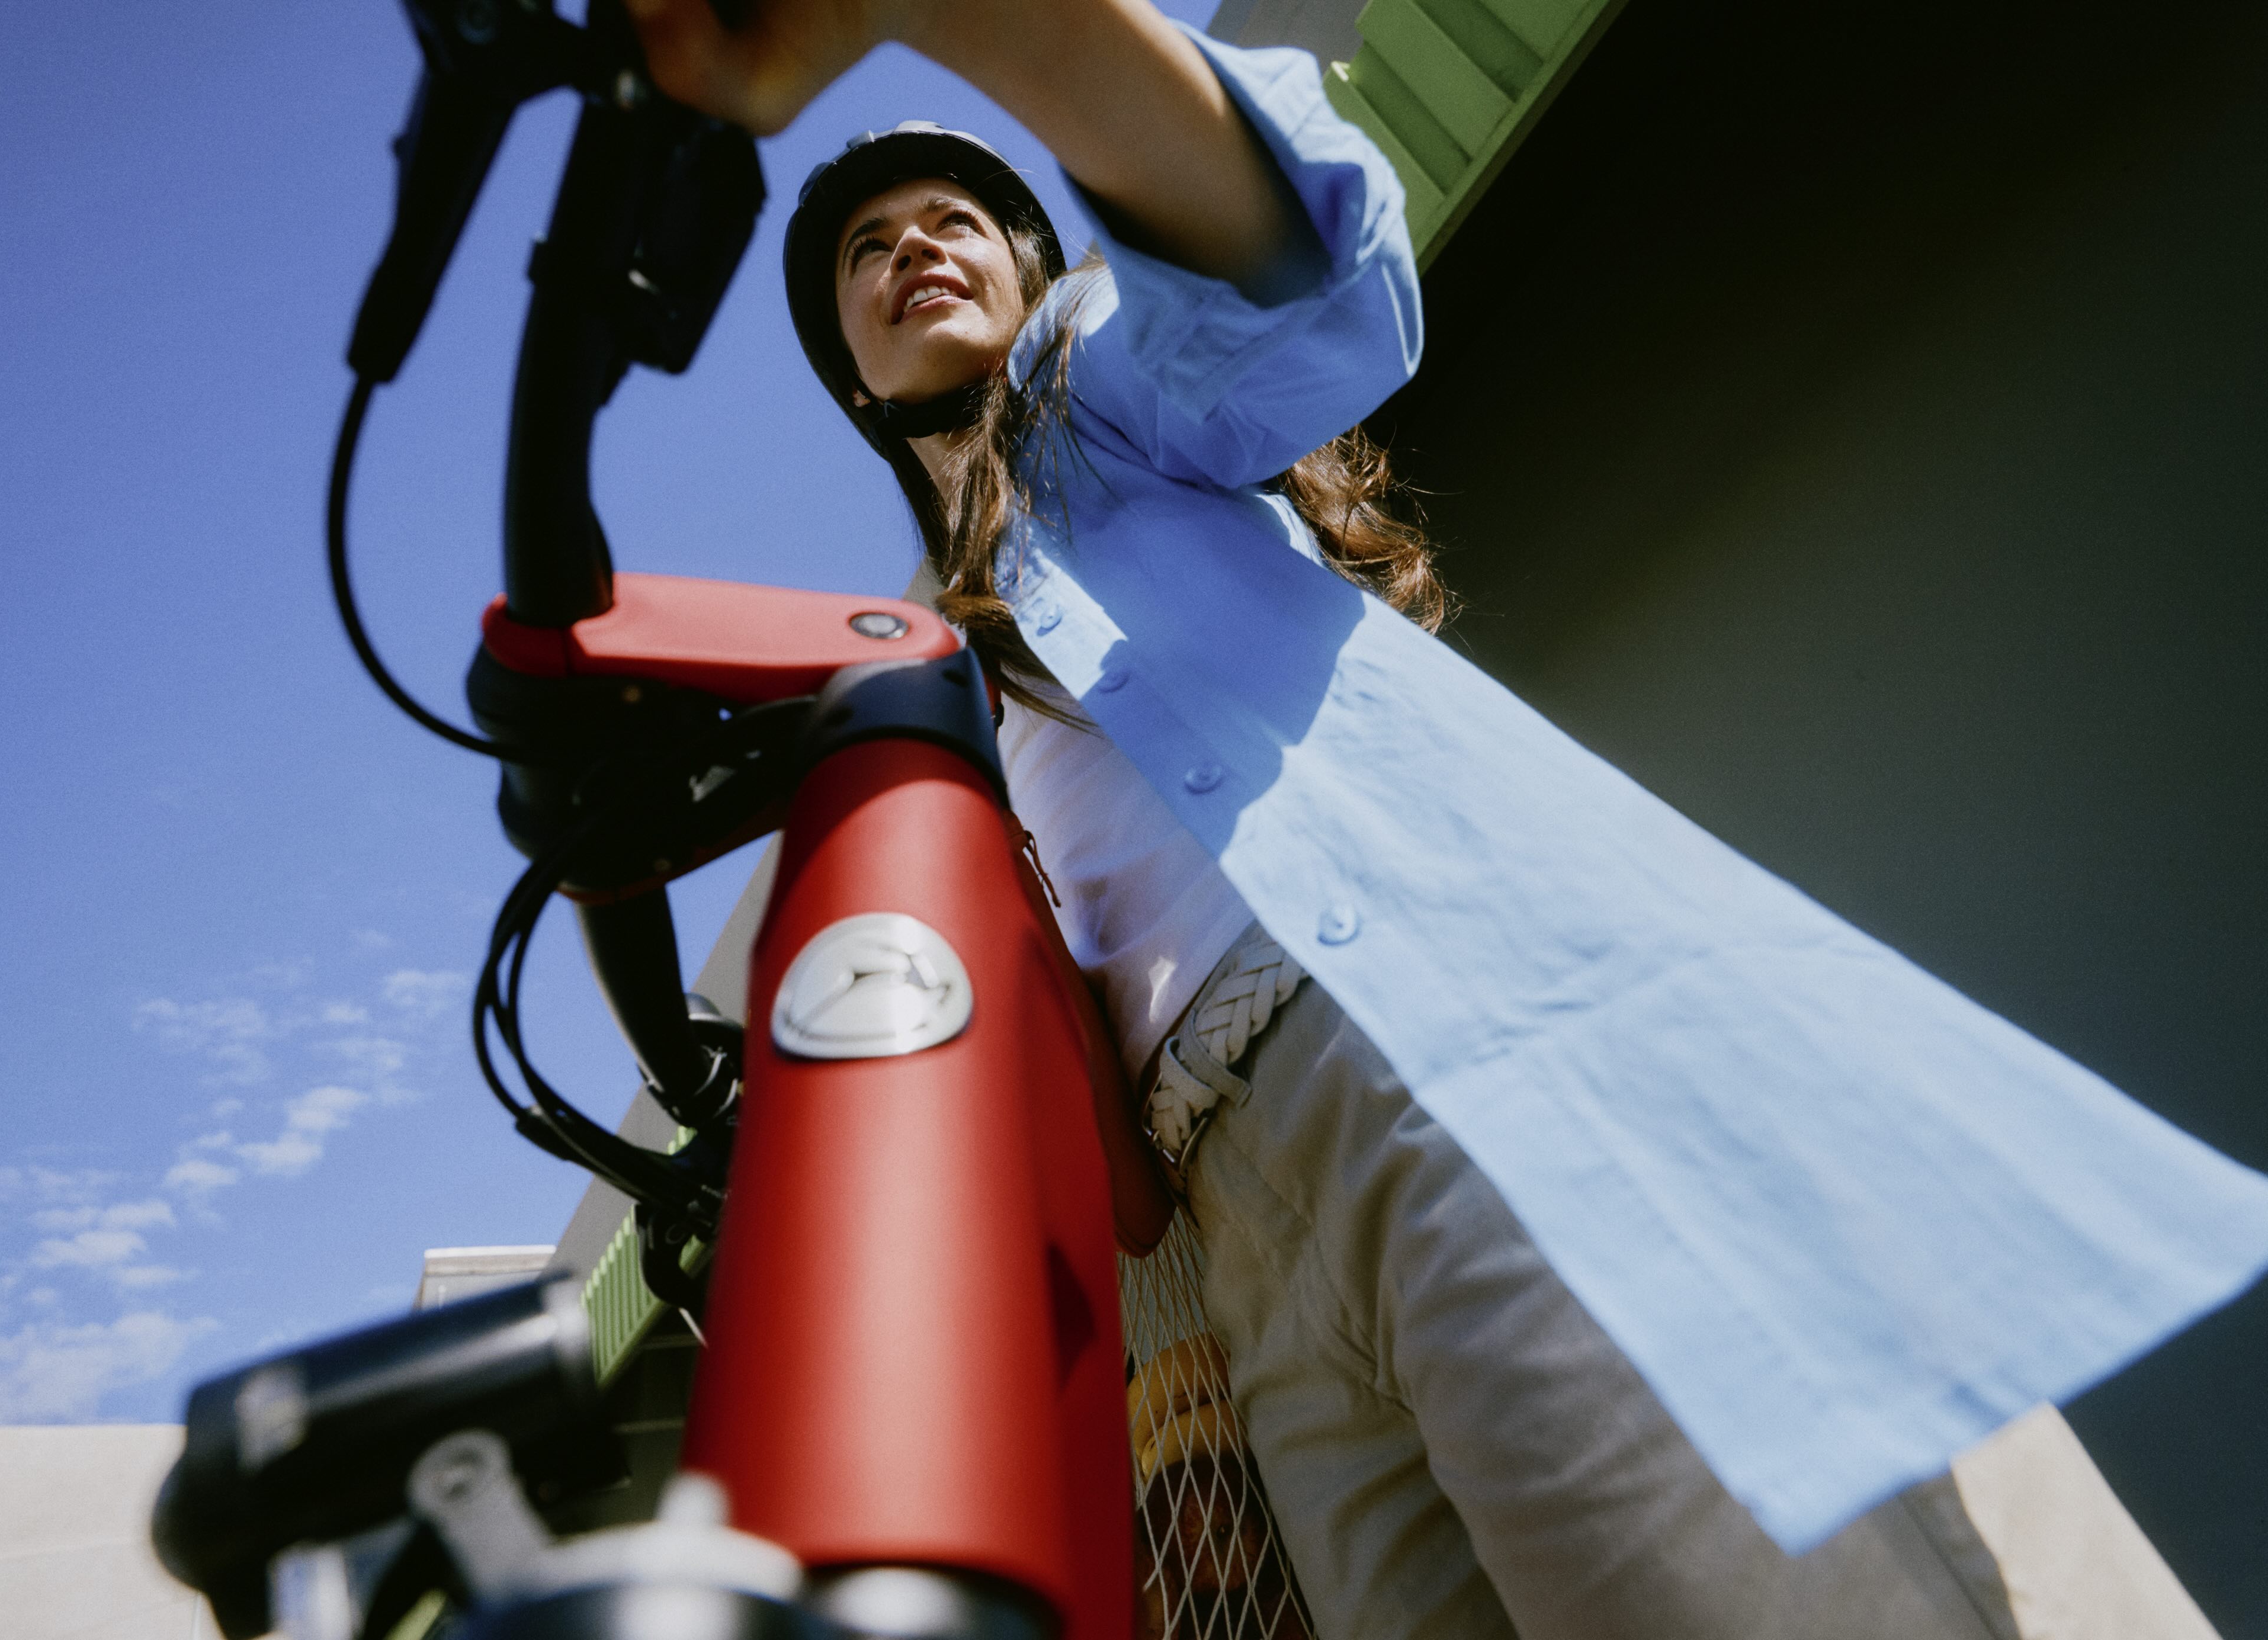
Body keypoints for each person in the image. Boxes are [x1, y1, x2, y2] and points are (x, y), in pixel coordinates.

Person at [626, 1, 2266, 1635]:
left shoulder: (1099, 396)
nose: (913, 248)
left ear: (1038, 274)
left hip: (1422, 1062)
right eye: (867, 251)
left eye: (953, 221)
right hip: (1242, 1248)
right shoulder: (931, 689)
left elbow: (1296, 285)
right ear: (851, 379)